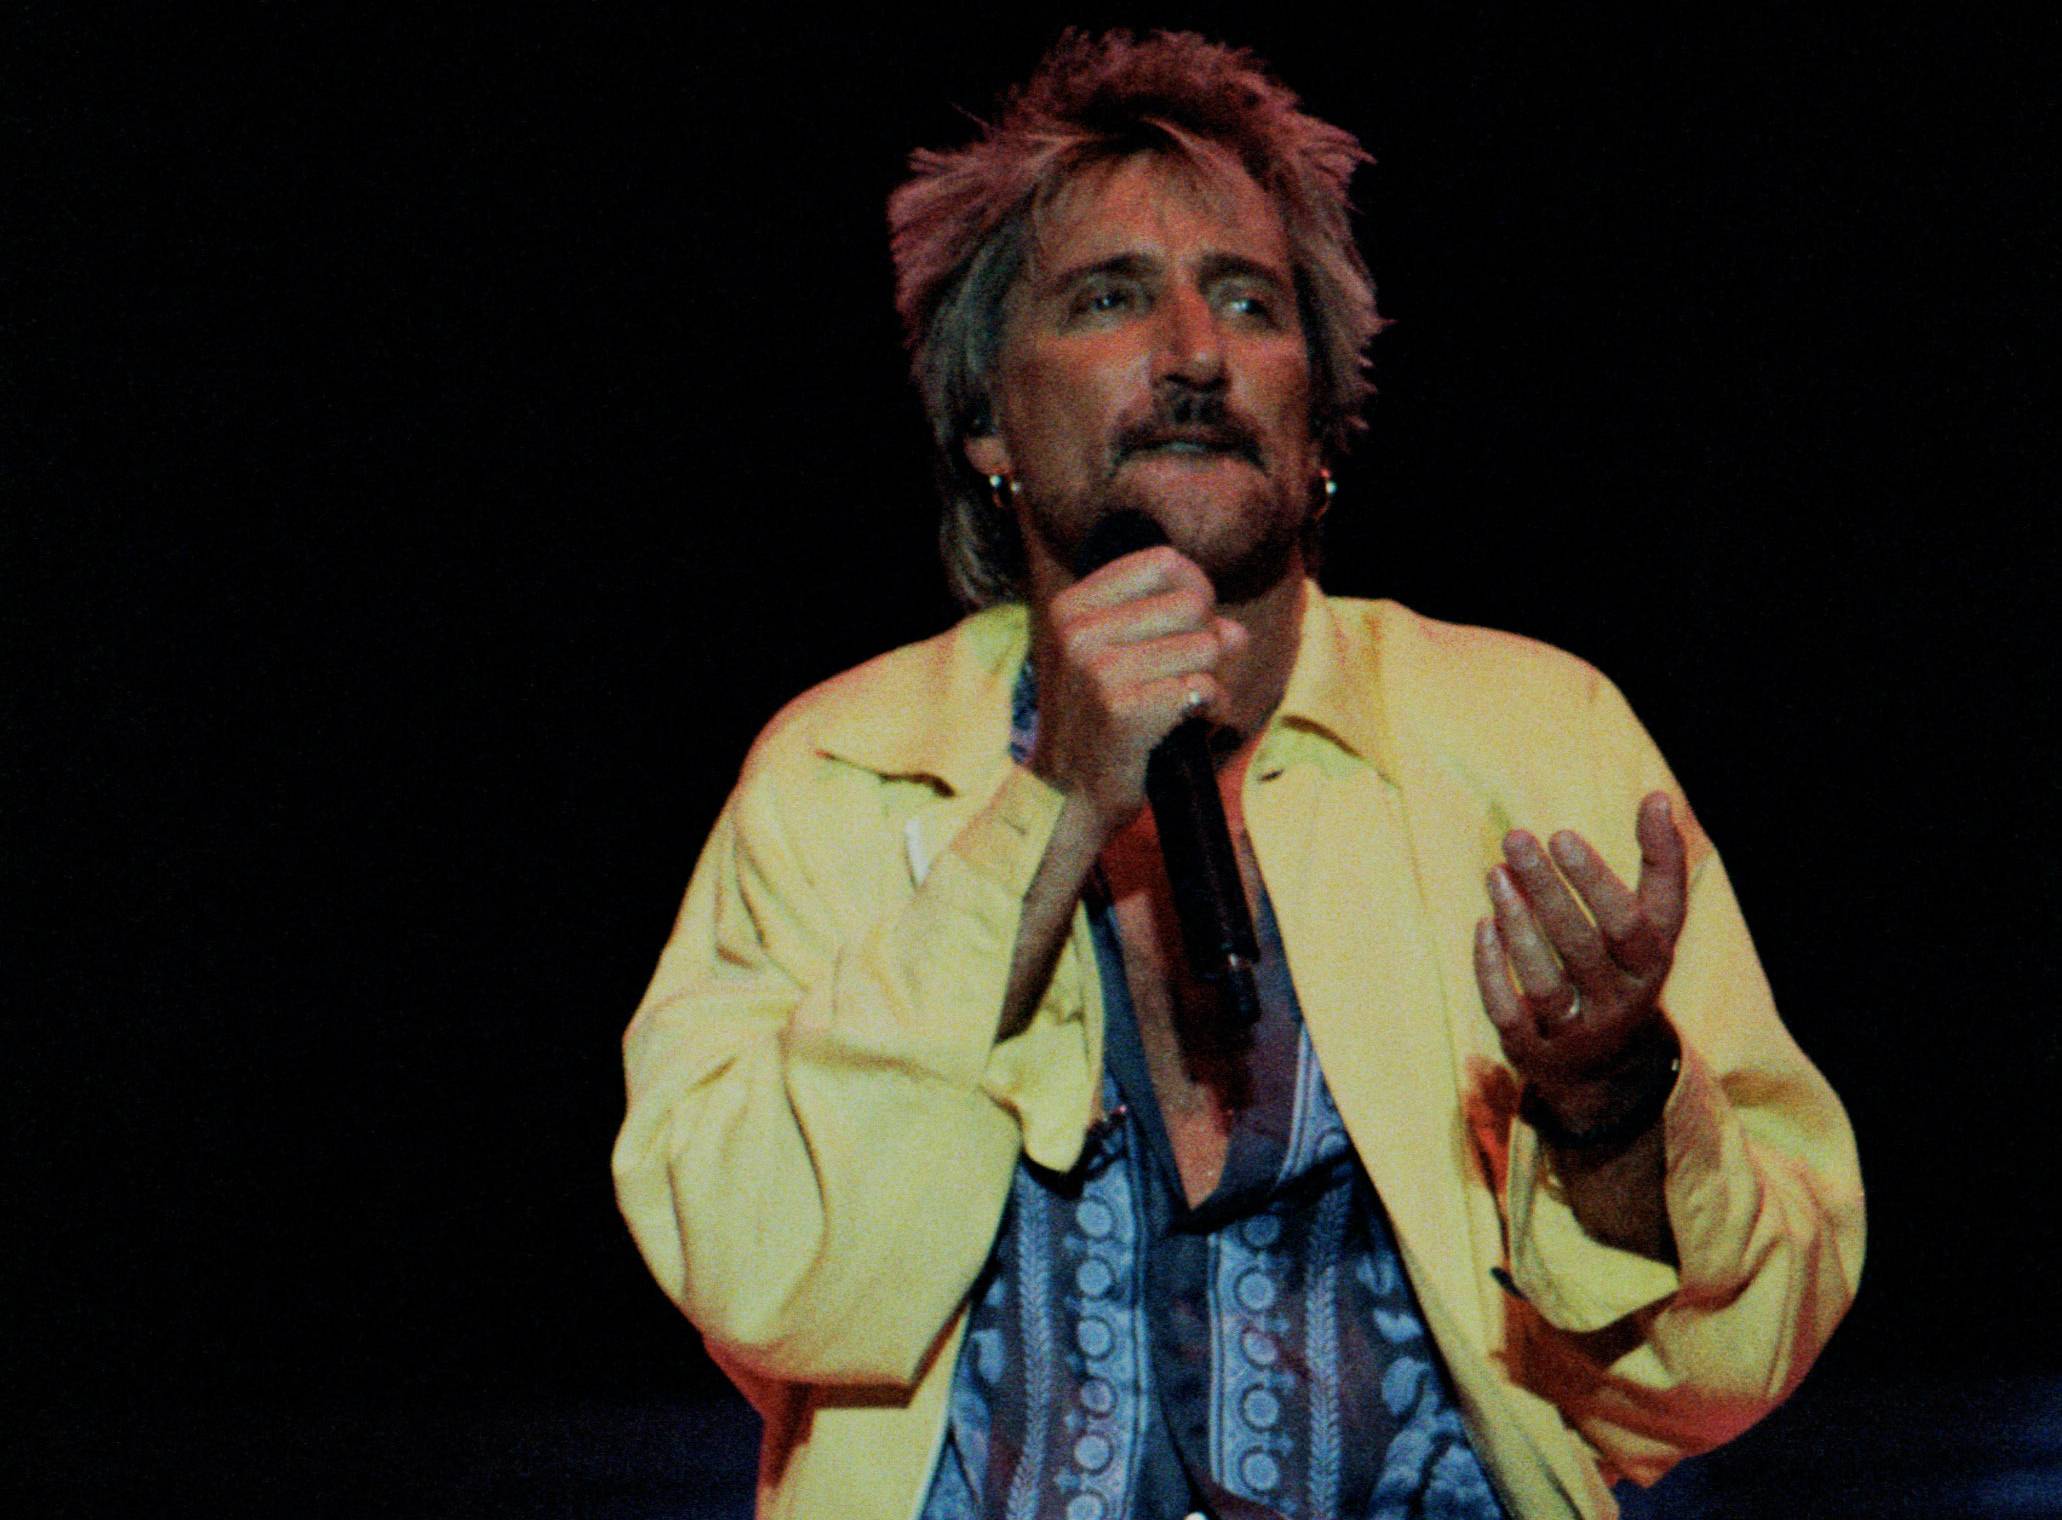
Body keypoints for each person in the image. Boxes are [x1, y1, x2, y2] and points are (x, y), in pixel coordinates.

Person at [613, 30, 1862, 1520]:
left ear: (1318, 420)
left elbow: (1727, 1371)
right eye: (1109, 297)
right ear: (985, 422)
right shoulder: (841, 772)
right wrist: (1053, 808)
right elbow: (767, 1280)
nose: (1195, 353)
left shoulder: (1528, 735)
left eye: (1249, 302)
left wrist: (1605, 1106)